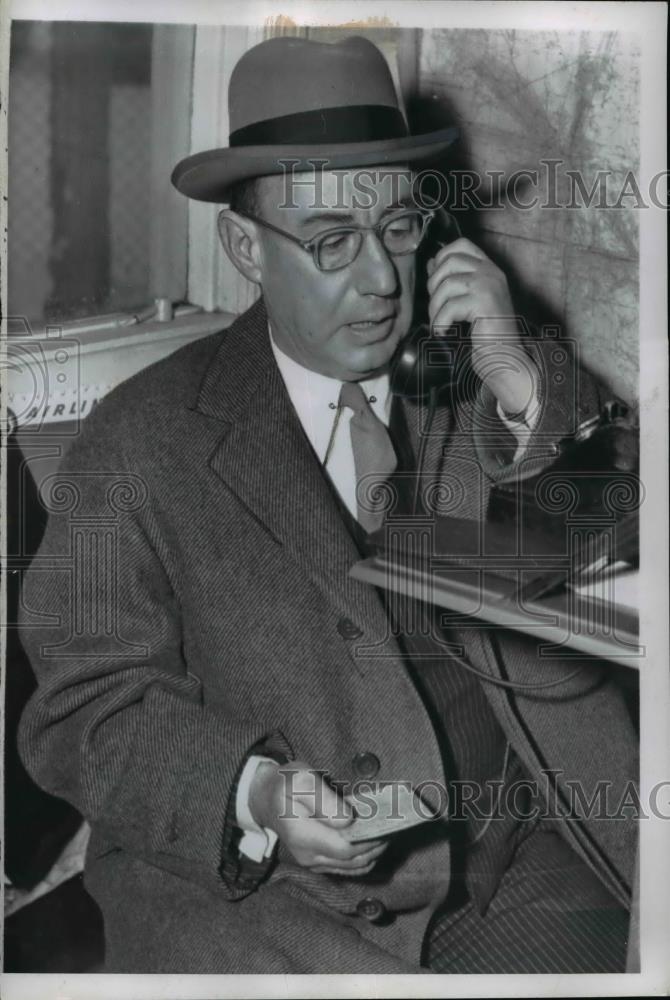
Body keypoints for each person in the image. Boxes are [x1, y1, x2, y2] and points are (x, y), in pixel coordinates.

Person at [18, 34, 638, 974]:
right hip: (275, 906)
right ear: (245, 248)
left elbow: (625, 534)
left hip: (524, 855)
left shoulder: (478, 372)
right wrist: (255, 792)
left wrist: (519, 379)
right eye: (332, 241)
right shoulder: (135, 441)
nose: (382, 280)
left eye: (400, 228)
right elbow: (81, 713)